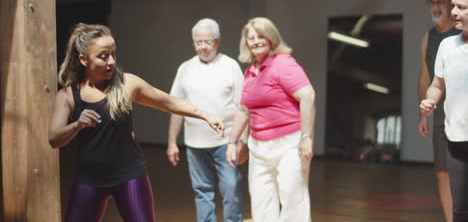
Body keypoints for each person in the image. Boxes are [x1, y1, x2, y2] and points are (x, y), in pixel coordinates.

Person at [49, 23, 224, 222]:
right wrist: (77, 125)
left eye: (113, 54)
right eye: (103, 56)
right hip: (89, 179)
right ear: (83, 59)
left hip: (129, 176)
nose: (111, 61)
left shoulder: (127, 84)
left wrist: (206, 115)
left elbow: (167, 101)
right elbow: (54, 139)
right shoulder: (67, 96)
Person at [227, 17, 315, 222]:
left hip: (289, 144)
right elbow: (243, 110)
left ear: (272, 39)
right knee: (261, 202)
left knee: (292, 198)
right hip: (258, 147)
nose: (255, 41)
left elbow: (307, 95)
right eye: (251, 38)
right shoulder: (250, 71)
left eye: (261, 36)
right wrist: (232, 142)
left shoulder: (283, 63)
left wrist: (306, 137)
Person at [167, 18, 248, 222]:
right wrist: (171, 142)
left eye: (207, 41)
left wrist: (242, 141)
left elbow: (244, 108)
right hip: (195, 143)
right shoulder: (185, 68)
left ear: (218, 40)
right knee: (202, 190)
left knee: (231, 188)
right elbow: (176, 106)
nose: (203, 47)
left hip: (226, 142)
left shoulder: (230, 66)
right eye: (198, 42)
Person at [420, 0, 468, 222]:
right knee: (457, 201)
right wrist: (427, 104)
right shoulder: (443, 44)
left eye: (461, 7)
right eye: (454, 7)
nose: (454, 12)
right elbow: (433, 82)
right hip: (453, 132)